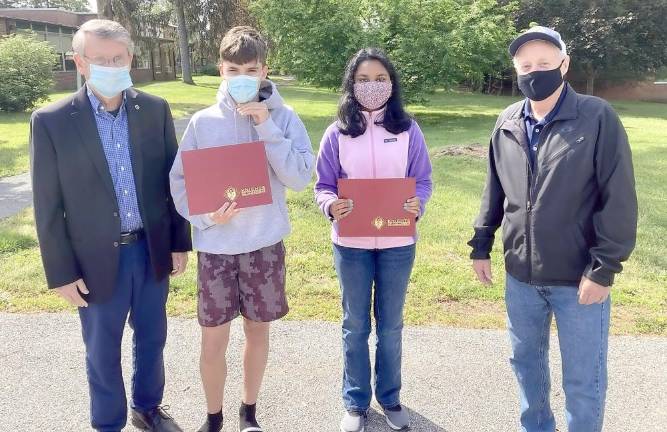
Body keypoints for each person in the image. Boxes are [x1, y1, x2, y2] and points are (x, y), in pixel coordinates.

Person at [468, 26, 638, 432]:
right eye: (526, 65)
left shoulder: (597, 117)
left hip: (578, 279)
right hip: (520, 278)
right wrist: (481, 243)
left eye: (544, 63)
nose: (534, 71)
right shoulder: (507, 120)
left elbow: (619, 198)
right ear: (516, 69)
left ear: (565, 64)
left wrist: (603, 269)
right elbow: (496, 189)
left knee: (583, 380)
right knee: (527, 369)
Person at [30, 19, 192, 432]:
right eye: (99, 59)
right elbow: (47, 206)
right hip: (94, 260)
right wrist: (61, 273)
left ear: (129, 59)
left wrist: (178, 243)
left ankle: (148, 408)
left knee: (152, 338)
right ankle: (107, 422)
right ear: (80, 62)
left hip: (150, 250)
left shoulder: (154, 110)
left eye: (117, 58)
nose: (110, 65)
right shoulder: (52, 121)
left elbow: (173, 182)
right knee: (102, 349)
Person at [169, 26, 315, 432]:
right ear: (221, 69)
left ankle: (248, 412)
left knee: (257, 331)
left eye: (251, 69)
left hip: (263, 245)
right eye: (234, 68)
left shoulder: (284, 118)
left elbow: (301, 176)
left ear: (265, 69)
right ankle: (213, 416)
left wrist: (266, 126)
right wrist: (206, 218)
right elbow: (179, 183)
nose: (242, 76)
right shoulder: (202, 122)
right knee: (212, 338)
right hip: (216, 247)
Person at [314, 48, 433, 432]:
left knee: (391, 325)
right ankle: (355, 401)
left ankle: (391, 397)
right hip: (351, 245)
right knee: (354, 325)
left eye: (380, 78)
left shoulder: (408, 130)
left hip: (398, 243)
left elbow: (424, 181)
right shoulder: (337, 132)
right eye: (363, 79)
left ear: (392, 84)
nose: (372, 86)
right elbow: (323, 185)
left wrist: (419, 203)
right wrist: (331, 206)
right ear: (351, 84)